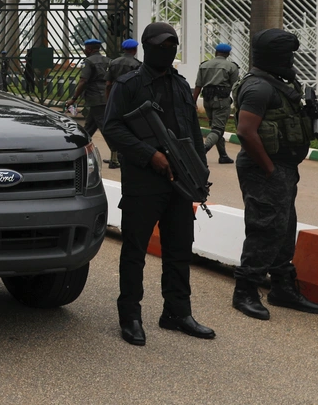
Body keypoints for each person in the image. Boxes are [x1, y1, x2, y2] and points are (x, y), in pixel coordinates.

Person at [103, 22, 215, 347]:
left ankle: (178, 313)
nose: (167, 50)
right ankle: (131, 317)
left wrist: (199, 174)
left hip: (180, 182)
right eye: (161, 45)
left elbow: (193, 131)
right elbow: (112, 128)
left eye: (172, 45)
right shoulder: (129, 85)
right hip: (143, 182)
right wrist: (150, 154)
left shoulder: (180, 85)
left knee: (179, 249)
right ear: (146, 46)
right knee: (135, 250)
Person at [230, 29, 318, 319]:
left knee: (283, 227)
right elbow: (245, 131)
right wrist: (270, 170)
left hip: (282, 168)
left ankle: (282, 287)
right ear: (274, 56)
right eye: (287, 55)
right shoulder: (259, 87)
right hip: (264, 168)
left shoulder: (278, 83)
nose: (291, 60)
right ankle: (245, 290)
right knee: (265, 227)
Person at [192, 43, 238, 164]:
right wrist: (238, 104)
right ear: (228, 54)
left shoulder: (204, 65)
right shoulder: (231, 67)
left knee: (216, 128)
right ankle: (203, 149)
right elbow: (235, 87)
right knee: (218, 128)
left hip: (207, 100)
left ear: (216, 53)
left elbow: (198, 85)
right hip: (222, 101)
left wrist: (193, 101)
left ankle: (223, 155)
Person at [104, 39, 142, 168]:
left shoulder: (113, 63)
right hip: (131, 101)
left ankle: (113, 157)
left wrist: (109, 100)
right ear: (135, 50)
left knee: (115, 127)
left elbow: (108, 84)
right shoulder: (137, 65)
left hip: (115, 99)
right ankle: (125, 157)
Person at [66, 38, 111, 142]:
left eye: (85, 49)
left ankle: (118, 153)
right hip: (106, 96)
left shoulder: (89, 61)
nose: (84, 51)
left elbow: (83, 81)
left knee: (105, 128)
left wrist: (74, 98)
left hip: (95, 98)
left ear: (89, 49)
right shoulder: (108, 60)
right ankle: (81, 144)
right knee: (89, 127)